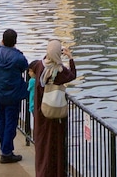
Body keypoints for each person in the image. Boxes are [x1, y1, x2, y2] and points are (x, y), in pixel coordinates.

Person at [29, 39, 77, 177]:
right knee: (54, 147)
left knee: (42, 146)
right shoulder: (59, 71)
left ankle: (41, 172)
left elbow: (32, 66)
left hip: (41, 112)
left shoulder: (40, 66)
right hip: (54, 114)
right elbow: (72, 74)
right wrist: (70, 57)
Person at [0, 29, 29, 165]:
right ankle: (6, 152)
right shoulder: (19, 58)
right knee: (11, 122)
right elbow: (24, 67)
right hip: (13, 95)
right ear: (15, 42)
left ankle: (5, 149)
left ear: (2, 40)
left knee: (1, 121)